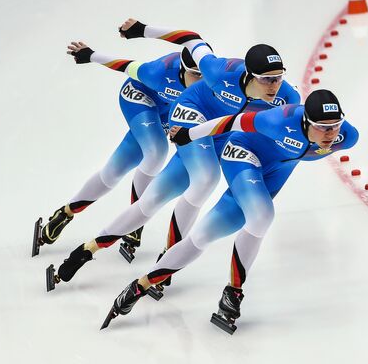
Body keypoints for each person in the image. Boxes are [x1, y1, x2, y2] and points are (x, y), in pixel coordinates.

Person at [45, 19, 300, 291]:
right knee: (205, 178)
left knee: (153, 199)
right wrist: (139, 31)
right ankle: (164, 257)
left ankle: (87, 250)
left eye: (278, 77)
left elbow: (297, 124)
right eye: (267, 79)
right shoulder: (216, 72)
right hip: (191, 114)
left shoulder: (287, 97)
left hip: (218, 133)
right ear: (250, 75)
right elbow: (191, 38)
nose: (274, 86)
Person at [101, 89, 359, 334]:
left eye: (334, 126)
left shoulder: (347, 136)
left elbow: (326, 137)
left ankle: (139, 286)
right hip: (243, 155)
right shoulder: (279, 121)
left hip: (275, 173)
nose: (329, 133)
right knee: (262, 216)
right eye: (322, 127)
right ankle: (234, 292)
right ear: (305, 121)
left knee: (203, 236)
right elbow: (233, 122)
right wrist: (189, 135)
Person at [33, 42, 202, 262]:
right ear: (182, 70)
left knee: (114, 170)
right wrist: (91, 55)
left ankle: (65, 212)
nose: (201, 81)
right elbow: (125, 65)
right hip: (138, 97)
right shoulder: (158, 72)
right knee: (157, 151)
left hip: (166, 110)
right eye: (195, 75)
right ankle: (136, 219)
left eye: (203, 75)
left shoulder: (209, 78)